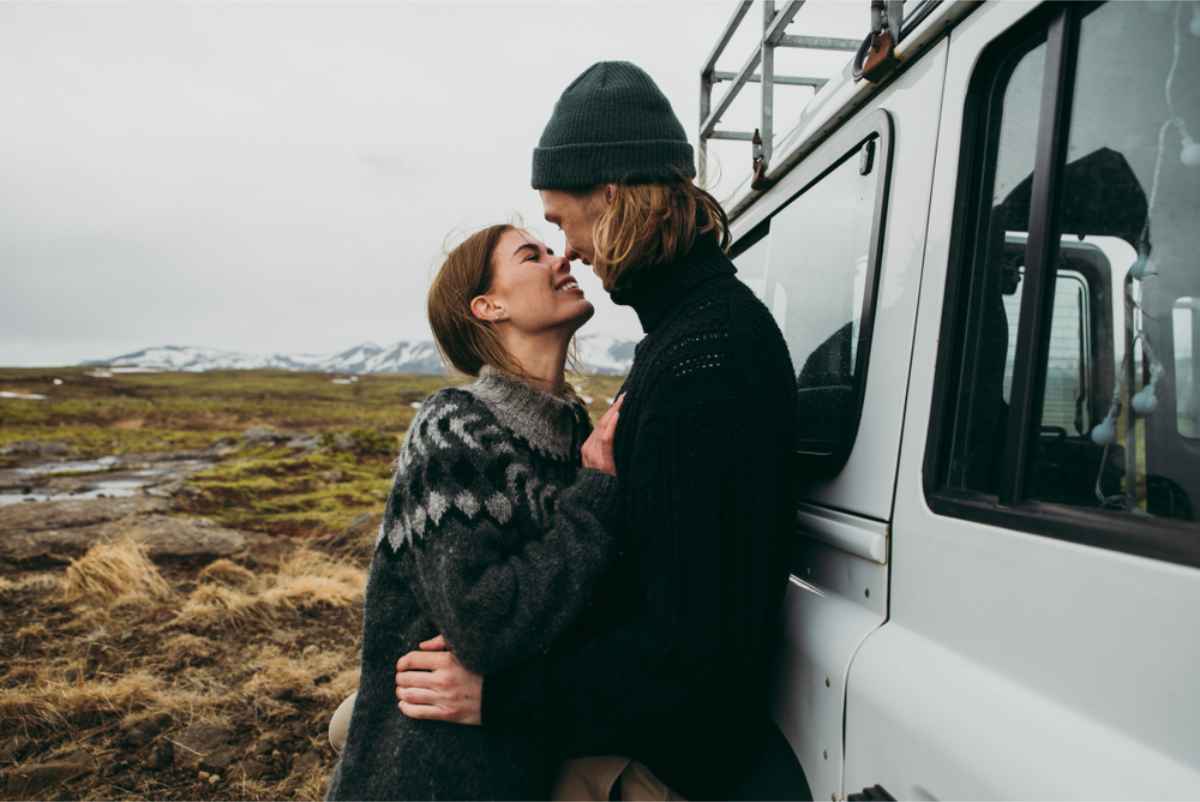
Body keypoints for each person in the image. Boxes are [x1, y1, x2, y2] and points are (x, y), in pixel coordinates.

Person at [394, 61, 802, 800]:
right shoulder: (681, 338)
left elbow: (695, 652)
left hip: (666, 760)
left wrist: (502, 699)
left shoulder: (704, 356)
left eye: (559, 220)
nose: (569, 250)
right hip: (636, 733)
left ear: (610, 194)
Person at [324, 223, 627, 801]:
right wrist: (594, 500)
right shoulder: (455, 426)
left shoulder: (574, 437)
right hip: (425, 778)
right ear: (488, 306)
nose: (561, 258)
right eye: (531, 255)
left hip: (520, 767)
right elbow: (482, 624)